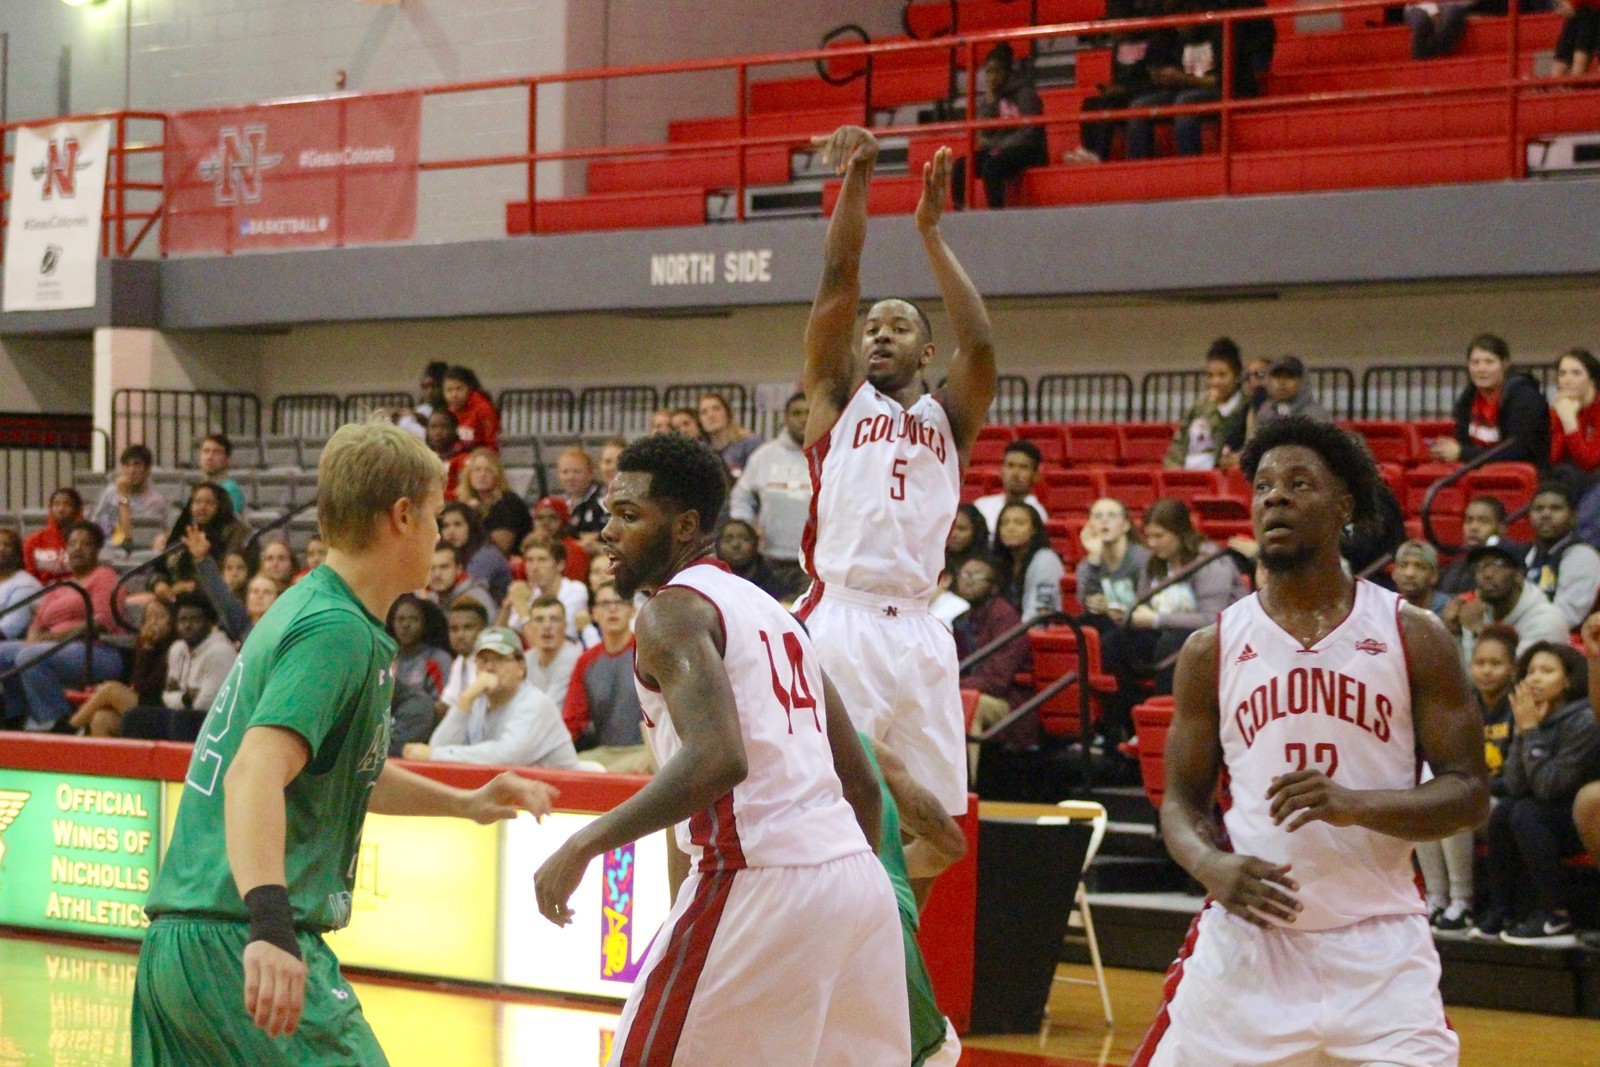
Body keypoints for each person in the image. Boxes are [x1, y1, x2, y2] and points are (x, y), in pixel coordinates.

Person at [132, 419, 557, 1067]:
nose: (443, 530)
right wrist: (271, 926)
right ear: (403, 515)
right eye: (439, 514)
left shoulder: (316, 610)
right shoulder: (335, 629)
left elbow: (347, 770)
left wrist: (467, 802)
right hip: (237, 934)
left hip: (183, 942)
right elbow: (253, 772)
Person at [532, 433, 910, 1065]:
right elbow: (862, 782)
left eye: (629, 515)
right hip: (856, 883)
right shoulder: (776, 612)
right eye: (607, 515)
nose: (607, 533)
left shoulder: (671, 612)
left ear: (685, 526)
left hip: (758, 876)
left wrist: (582, 844)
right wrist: (834, 890)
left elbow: (716, 760)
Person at [1132, 415, 1489, 1067]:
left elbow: (1469, 795)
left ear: (1344, 506)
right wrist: (1210, 865)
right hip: (1248, 946)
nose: (1276, 497)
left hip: (1379, 951)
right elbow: (1180, 804)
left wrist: (1354, 803)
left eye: (1299, 483)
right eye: (1264, 485)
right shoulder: (1211, 647)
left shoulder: (1415, 634)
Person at [797, 125, 997, 823]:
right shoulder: (837, 398)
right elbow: (837, 279)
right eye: (872, 326)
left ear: (927, 349)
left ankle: (893, 920)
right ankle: (845, 919)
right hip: (843, 614)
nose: (878, 332)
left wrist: (932, 234)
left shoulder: (952, 420)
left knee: (943, 824)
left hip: (920, 624)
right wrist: (859, 176)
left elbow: (981, 343)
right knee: (832, 805)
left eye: (899, 325)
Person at [1475, 641, 1600, 943]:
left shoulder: (1585, 720)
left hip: (1583, 819)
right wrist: (1522, 731)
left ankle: (1557, 916)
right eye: (1531, 671)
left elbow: (1548, 787)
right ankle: (1504, 909)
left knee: (1526, 812)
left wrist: (1530, 731)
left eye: (1547, 671)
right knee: (1504, 809)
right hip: (1550, 812)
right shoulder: (1533, 715)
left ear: (1568, 679)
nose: (1535, 679)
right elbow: (1516, 785)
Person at [860, 735, 969, 1067]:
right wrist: (889, 866)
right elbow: (950, 845)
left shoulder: (747, 749)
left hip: (779, 915)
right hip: (879, 913)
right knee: (934, 1055)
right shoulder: (870, 748)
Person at [1105, 498, 1243, 727]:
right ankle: (1130, 721)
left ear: (1180, 532)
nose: (1152, 543)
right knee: (1114, 643)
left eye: (1159, 536)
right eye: (1148, 536)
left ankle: (1166, 723)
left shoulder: (1209, 560)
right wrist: (1129, 614)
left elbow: (1213, 617)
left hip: (1211, 638)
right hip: (1164, 632)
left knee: (1171, 643)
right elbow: (1143, 603)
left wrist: (1156, 619)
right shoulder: (1155, 561)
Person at [1416, 623, 1518, 932]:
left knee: (1455, 806)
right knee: (1426, 803)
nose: (1487, 671)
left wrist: (1476, 787)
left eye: (1496, 664)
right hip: (1477, 795)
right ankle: (1436, 897)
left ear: (1513, 668)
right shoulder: (1463, 706)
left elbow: (1518, 775)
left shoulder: (1520, 705)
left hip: (1503, 799)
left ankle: (1463, 901)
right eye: (1480, 663)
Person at [0, 521, 124, 731]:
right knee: (4, 653)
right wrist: (33, 640)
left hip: (96, 650)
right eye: (73, 543)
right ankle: (16, 717)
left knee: (29, 657)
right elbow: (38, 624)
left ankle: (57, 724)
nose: (77, 548)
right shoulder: (62, 585)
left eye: (85, 544)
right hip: (53, 648)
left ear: (97, 550)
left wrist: (45, 641)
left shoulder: (104, 576)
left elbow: (100, 623)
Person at [405, 626, 580, 769]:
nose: (489, 668)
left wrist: (435, 755)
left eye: (499, 659)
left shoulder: (536, 704)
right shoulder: (477, 702)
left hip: (567, 799)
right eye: (483, 661)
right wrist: (465, 700)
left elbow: (506, 757)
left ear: (521, 667)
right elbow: (438, 747)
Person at [1128, 0, 1263, 159]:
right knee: (1138, 107)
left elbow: (1223, 81)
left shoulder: (1222, 32)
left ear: (1195, 10)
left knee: (1184, 103)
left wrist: (1182, 78)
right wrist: (1164, 77)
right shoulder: (1180, 38)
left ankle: (1190, 165)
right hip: (1186, 89)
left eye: (1180, 15)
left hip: (1228, 90)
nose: (1177, 24)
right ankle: (1141, 168)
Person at [952, 554, 1034, 779]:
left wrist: (953, 685)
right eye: (964, 575)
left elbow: (997, 679)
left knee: (968, 704)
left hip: (1011, 702)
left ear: (994, 587)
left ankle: (969, 787)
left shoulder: (1005, 618)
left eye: (976, 576)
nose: (968, 580)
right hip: (968, 689)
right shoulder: (961, 620)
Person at [121, 593, 239, 742]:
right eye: (183, 620)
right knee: (134, 718)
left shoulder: (220, 652)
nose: (188, 626)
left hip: (220, 723)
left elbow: (204, 704)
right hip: (183, 716)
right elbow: (167, 696)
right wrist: (186, 698)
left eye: (195, 620)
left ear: (209, 623)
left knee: (182, 719)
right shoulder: (177, 649)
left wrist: (181, 698)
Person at [562, 585, 653, 773]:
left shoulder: (649, 652)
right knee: (565, 769)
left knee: (607, 774)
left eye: (619, 602)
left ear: (632, 610)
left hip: (645, 749)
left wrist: (654, 753)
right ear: (593, 613)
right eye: (605, 604)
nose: (612, 609)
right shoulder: (586, 661)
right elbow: (573, 720)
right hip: (604, 751)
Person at [730, 391, 812, 599]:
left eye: (809, 413)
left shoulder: (831, 456)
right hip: (770, 561)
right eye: (797, 413)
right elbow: (741, 497)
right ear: (785, 418)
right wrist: (746, 526)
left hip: (815, 566)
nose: (803, 419)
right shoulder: (764, 456)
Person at [1430, 333, 1550, 468]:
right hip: (1477, 475)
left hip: (1520, 477)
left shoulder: (1525, 398)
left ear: (1505, 364)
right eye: (1475, 362)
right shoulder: (1468, 399)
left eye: (1489, 362)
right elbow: (1461, 440)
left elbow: (1518, 451)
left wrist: (1462, 453)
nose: (1481, 369)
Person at [1078, 0, 1178, 162]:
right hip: (1125, 92)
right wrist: (1114, 88)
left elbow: (1157, 77)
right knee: (1090, 104)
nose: (1112, 30)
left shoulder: (1157, 38)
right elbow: (1119, 77)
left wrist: (1123, 90)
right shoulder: (1120, 44)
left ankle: (1098, 156)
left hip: (1149, 90)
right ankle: (1087, 152)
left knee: (1110, 103)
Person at [951, 42, 1047, 209]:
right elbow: (983, 133)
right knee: (961, 166)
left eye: (996, 71)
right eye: (988, 72)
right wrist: (990, 101)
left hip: (1028, 150)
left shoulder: (1025, 93)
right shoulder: (991, 97)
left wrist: (999, 146)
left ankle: (996, 215)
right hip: (998, 150)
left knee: (992, 168)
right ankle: (960, 212)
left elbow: (1029, 131)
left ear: (1007, 72)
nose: (992, 77)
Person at [1443, 540, 1569, 662]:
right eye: (1479, 566)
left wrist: (1477, 633)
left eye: (1498, 564)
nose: (1487, 574)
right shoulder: (1479, 611)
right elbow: (1460, 678)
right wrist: (1456, 634)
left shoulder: (1546, 621)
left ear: (1519, 575)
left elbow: (1510, 679)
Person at [68, 596, 176, 738]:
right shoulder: (145, 644)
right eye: (148, 618)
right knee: (101, 720)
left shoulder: (176, 647)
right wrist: (146, 648)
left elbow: (146, 687)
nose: (153, 622)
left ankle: (68, 730)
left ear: (173, 622)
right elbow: (137, 682)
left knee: (111, 689)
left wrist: (148, 648)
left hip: (164, 711)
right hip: (144, 708)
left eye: (159, 617)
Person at [152, 482, 251, 598]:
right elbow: (160, 567)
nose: (202, 507)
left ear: (221, 506)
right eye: (197, 502)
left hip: (216, 600)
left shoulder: (237, 532)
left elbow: (231, 573)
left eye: (209, 503)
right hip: (175, 597)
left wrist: (193, 586)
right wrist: (158, 583)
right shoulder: (185, 530)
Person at [1163, 338, 1248, 471]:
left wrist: (1213, 410)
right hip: (1188, 475)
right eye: (1210, 375)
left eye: (1222, 375)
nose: (1215, 381)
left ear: (1236, 376)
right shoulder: (1198, 407)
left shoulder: (1246, 407)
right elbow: (1179, 443)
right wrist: (1174, 466)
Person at [1524, 481, 1600, 629]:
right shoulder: (1526, 552)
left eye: (1556, 508)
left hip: (1562, 641)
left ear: (1573, 516)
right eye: (1539, 509)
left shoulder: (1583, 555)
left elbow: (1566, 616)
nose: (1546, 514)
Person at [1078, 497, 1150, 620]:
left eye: (1111, 515)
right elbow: (1089, 605)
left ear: (1125, 525)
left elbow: (1148, 607)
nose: (1104, 520)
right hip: (1105, 624)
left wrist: (1110, 607)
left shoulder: (1143, 559)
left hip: (1139, 627)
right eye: (1098, 516)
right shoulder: (1088, 563)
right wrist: (1094, 559)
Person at [90, 444, 174, 549]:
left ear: (147, 470)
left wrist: (123, 497)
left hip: (135, 552)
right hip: (107, 548)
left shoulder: (156, 501)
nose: (131, 471)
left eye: (137, 465)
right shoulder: (110, 492)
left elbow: (130, 538)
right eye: (127, 465)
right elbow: (94, 526)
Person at [992, 502, 1065, 619]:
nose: (1010, 528)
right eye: (1004, 523)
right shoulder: (999, 561)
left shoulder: (1046, 560)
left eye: (1019, 523)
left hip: (1035, 633)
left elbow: (1039, 614)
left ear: (1034, 530)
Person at [456, 447, 531, 556]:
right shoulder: (464, 503)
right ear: (469, 475)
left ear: (497, 475)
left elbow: (499, 548)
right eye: (477, 470)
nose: (482, 475)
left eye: (488, 470)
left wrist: (472, 517)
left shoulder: (508, 502)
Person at [508, 536, 587, 637]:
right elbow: (509, 633)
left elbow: (553, 639)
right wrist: (507, 605)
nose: (534, 568)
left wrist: (520, 605)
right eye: (529, 560)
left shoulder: (576, 590)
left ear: (560, 565)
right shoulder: (529, 593)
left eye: (542, 560)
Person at [439, 500, 511, 604]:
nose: (451, 531)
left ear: (471, 527)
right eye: (446, 526)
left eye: (457, 524)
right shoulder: (447, 555)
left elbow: (467, 594)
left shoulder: (487, 555)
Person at [1438, 495, 1512, 595]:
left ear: (1501, 528)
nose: (1473, 527)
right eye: (1469, 520)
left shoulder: (1508, 571)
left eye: (1483, 521)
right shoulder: (1453, 570)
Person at [1248, 355, 1332, 438]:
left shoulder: (1316, 415)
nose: (1282, 382)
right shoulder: (1266, 411)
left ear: (1302, 381)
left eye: (1289, 377)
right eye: (1277, 377)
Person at [973, 440, 1047, 530]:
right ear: (1001, 471)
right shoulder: (981, 505)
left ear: (1035, 475)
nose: (1015, 473)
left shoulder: (1037, 513)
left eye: (1023, 467)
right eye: (1010, 466)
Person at [521, 595, 579, 706]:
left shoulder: (574, 658)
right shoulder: (527, 659)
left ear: (565, 626)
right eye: (539, 620)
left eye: (554, 619)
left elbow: (548, 709)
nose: (547, 626)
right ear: (530, 627)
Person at [439, 598, 489, 715]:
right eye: (454, 629)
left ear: (483, 630)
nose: (460, 635)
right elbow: (447, 704)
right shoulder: (459, 662)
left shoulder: (491, 663)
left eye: (468, 628)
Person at [715, 519, 786, 600]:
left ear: (756, 543)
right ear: (717, 546)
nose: (736, 545)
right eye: (728, 540)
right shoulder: (711, 582)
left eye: (744, 539)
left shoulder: (773, 582)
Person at [22, 486, 82, 581]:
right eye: (56, 504)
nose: (61, 509)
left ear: (77, 510)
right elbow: (28, 576)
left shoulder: (86, 541)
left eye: (67, 504)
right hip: (41, 592)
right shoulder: (33, 541)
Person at [699, 392, 762, 479]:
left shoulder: (749, 443)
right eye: (704, 412)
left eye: (716, 409)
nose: (710, 415)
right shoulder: (701, 450)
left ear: (727, 414)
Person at [422, 544, 496, 617]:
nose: (436, 575)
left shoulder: (477, 597)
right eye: (431, 568)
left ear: (458, 569)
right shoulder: (429, 600)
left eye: (444, 567)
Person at [442, 365, 499, 451]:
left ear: (469, 388)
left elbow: (492, 444)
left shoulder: (483, 409)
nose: (454, 395)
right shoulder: (447, 413)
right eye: (449, 390)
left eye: (459, 389)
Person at [0, 529, 43, 640]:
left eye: (7, 545)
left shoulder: (25, 585)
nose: (1, 549)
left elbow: (7, 631)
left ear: (17, 554)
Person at [555, 447, 608, 536]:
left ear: (590, 473)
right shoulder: (557, 504)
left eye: (577, 472)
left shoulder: (604, 500)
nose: (570, 477)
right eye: (565, 472)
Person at [1391, 539, 1450, 614]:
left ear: (1434, 576)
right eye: (1403, 566)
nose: (1409, 574)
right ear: (1394, 574)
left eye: (1420, 567)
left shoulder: (1448, 610)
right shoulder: (1386, 608)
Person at [426, 409, 473, 498]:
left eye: (443, 427)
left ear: (454, 430)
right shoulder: (424, 458)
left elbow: (465, 491)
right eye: (433, 427)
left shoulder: (463, 458)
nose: (437, 432)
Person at [943, 503, 990, 592]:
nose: (953, 535)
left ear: (976, 531)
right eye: (949, 528)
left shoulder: (988, 563)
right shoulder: (932, 562)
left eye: (961, 529)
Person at [198, 433, 248, 515]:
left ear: (227, 459)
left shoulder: (230, 490)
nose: (210, 457)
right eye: (206, 451)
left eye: (216, 452)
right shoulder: (197, 489)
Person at [1404, 0, 1471, 59]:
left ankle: (1438, 57)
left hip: (1449, 5)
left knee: (1453, 13)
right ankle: (1419, 63)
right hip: (1418, 6)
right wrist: (1433, 11)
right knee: (1422, 22)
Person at [1550, 0, 1599, 80]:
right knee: (1583, 15)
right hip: (1581, 14)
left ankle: (1574, 82)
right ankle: (1557, 84)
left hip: (1590, 15)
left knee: (1587, 15)